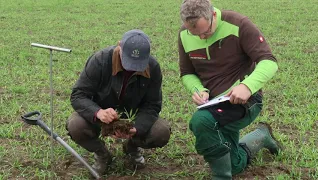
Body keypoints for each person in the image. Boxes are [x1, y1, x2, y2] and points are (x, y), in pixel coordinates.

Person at [178, 0, 282, 179]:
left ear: (213, 15)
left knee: (202, 122)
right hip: (212, 104)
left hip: (245, 101)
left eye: (206, 31)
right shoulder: (183, 35)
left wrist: (247, 86)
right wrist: (198, 89)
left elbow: (269, 61)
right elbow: (187, 73)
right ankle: (261, 136)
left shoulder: (238, 24)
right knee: (234, 165)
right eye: (194, 33)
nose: (202, 37)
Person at [66, 29, 171, 176]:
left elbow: (152, 105)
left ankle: (132, 147)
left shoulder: (153, 67)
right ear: (119, 46)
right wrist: (98, 112)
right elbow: (78, 95)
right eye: (129, 60)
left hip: (133, 118)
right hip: (101, 116)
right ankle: (102, 154)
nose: (133, 67)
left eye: (138, 63)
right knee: (75, 125)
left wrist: (137, 128)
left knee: (161, 131)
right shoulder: (100, 61)